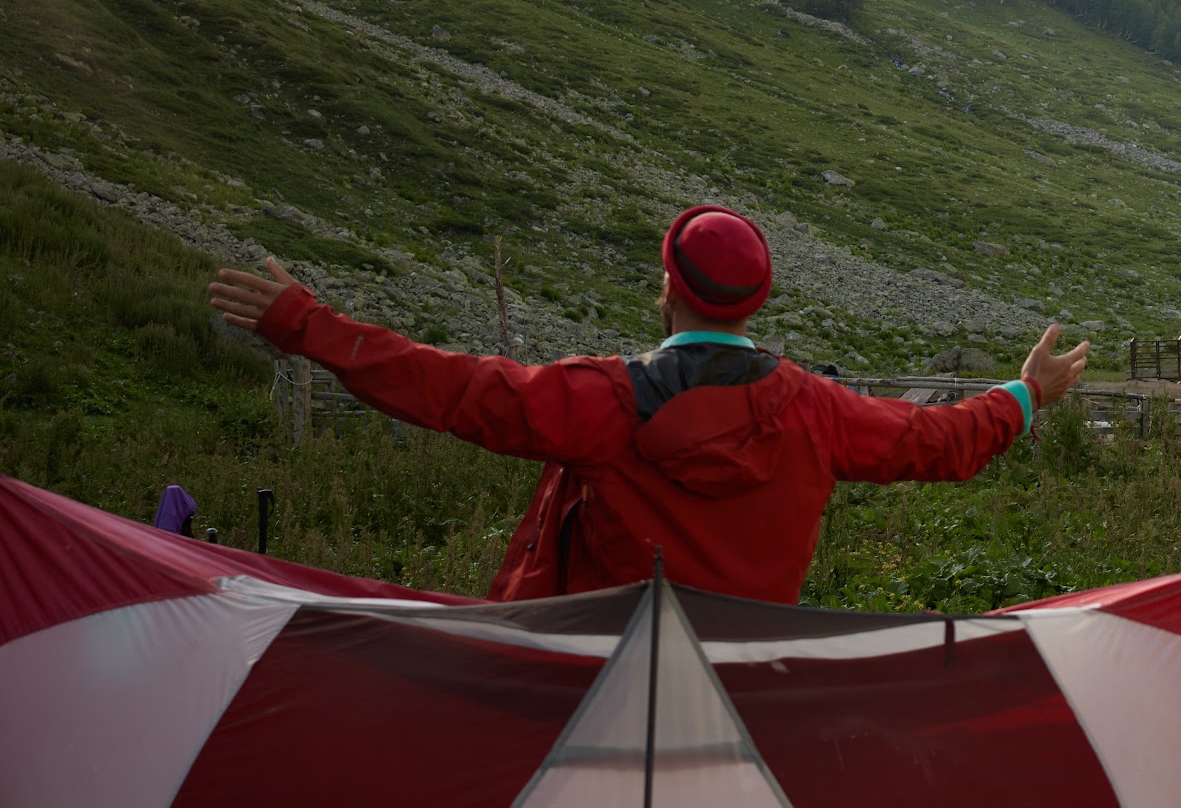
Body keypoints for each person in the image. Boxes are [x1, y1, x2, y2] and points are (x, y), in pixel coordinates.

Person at [208, 204, 1087, 604]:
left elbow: (454, 390)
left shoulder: (601, 402)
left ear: (667, 292)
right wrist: (1026, 392)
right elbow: (940, 441)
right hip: (739, 689)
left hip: (592, 679)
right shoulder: (816, 410)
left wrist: (309, 326)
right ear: (757, 304)